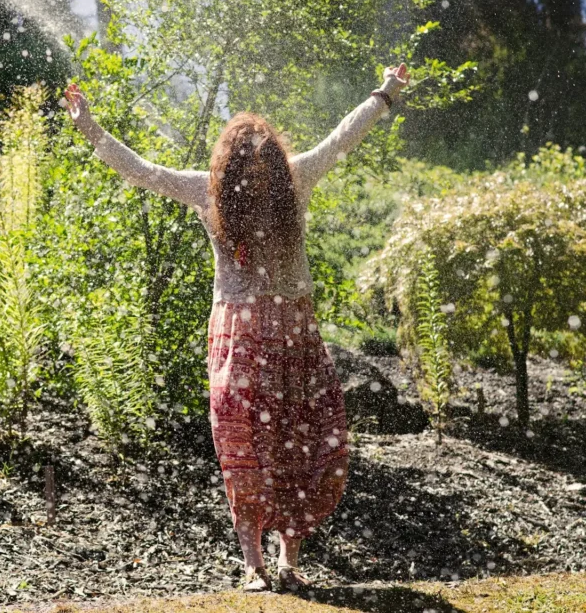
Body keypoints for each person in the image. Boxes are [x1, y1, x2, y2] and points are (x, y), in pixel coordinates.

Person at [63, 64, 409, 592]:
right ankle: (253, 563)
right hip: (237, 339)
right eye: (247, 166)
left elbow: (342, 138)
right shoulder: (208, 192)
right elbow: (142, 170)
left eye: (265, 164)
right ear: (229, 168)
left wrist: (384, 95)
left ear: (275, 161)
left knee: (303, 440)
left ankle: (289, 557)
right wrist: (89, 127)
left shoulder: (297, 179)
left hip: (294, 334)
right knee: (241, 444)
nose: (258, 175)